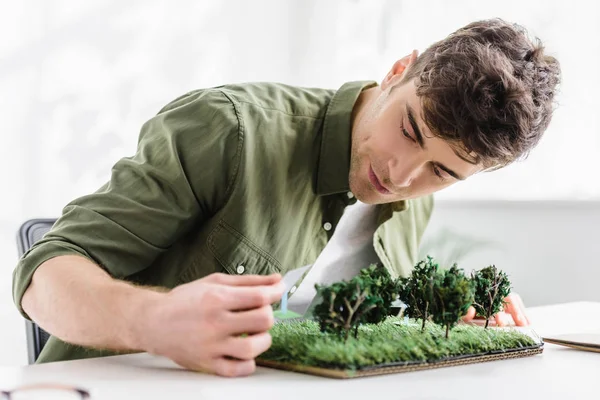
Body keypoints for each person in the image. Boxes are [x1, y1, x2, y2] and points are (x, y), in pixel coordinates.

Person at [12, 18, 560, 377]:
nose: (401, 175)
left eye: (442, 170)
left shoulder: (416, 199)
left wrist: (443, 321)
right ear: (397, 72)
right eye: (410, 130)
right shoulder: (230, 130)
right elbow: (43, 280)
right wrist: (152, 321)